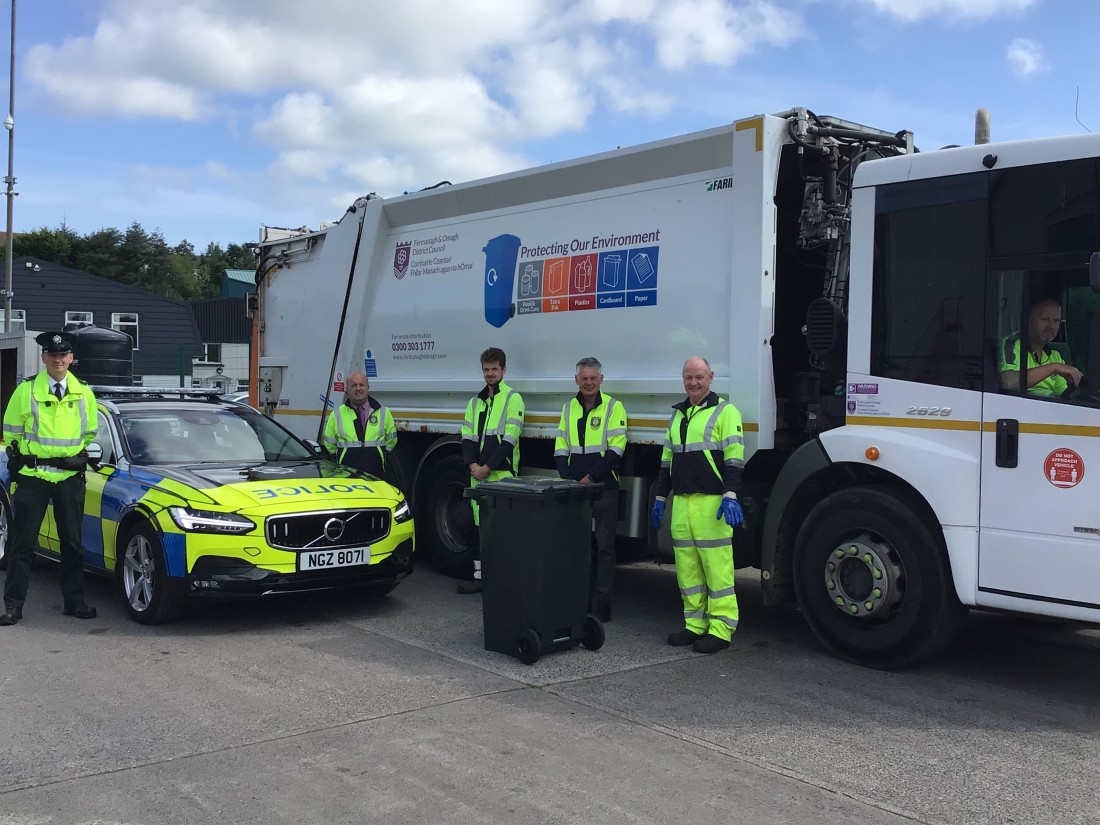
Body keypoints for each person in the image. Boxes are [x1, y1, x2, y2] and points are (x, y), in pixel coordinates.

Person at [1, 331, 99, 626]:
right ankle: (13, 605)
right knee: (22, 544)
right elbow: (11, 430)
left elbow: (90, 432)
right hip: (34, 474)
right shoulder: (27, 390)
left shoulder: (84, 391)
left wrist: (72, 456)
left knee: (72, 542)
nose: (58, 360)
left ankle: (74, 602)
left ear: (71, 358)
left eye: (63, 355)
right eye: (53, 355)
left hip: (69, 475)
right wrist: (22, 457)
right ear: (44, 358)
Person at [650, 356, 744, 654]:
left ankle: (721, 630)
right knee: (688, 570)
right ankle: (694, 625)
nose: (694, 382)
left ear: (711, 377)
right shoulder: (678, 415)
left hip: (711, 504)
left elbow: (734, 459)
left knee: (717, 570)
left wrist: (731, 495)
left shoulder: (725, 411)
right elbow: (666, 461)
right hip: (681, 503)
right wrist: (660, 498)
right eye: (688, 377)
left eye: (699, 377)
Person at [554, 357, 628, 623]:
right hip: (576, 490)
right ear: (576, 380)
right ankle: (580, 602)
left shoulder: (614, 407)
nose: (588, 383)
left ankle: (603, 602)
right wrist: (569, 480)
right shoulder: (568, 409)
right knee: (578, 548)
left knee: (605, 547)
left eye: (593, 378)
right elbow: (560, 448)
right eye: (584, 378)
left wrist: (589, 477)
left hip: (604, 488)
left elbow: (616, 450)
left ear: (601, 379)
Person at [456, 347, 525, 594]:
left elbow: (510, 440)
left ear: (503, 370)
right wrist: (472, 466)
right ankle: (479, 579)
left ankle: (502, 582)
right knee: (479, 530)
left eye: (494, 369)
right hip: (478, 477)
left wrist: (487, 467)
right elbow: (466, 437)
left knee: (502, 532)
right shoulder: (475, 402)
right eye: (486, 369)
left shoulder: (513, 399)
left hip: (501, 476)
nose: (490, 374)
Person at [1000, 296, 1084, 397]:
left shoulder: (1055, 356)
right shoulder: (1010, 345)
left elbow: (1062, 395)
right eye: (1045, 319)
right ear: (1029, 321)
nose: (1051, 326)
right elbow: (1007, 382)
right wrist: (1053, 367)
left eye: (1056, 321)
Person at [321, 372, 397, 481]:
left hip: (376, 475)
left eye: (361, 385)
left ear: (368, 388)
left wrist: (378, 454)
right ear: (347, 390)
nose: (358, 388)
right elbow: (330, 445)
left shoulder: (383, 412)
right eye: (354, 385)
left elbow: (391, 441)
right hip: (346, 476)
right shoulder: (336, 414)